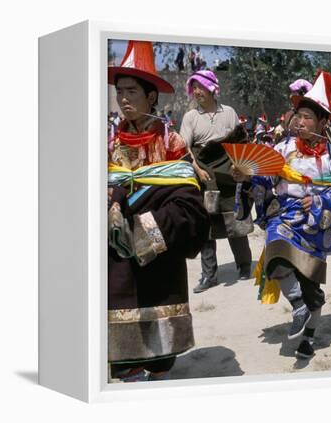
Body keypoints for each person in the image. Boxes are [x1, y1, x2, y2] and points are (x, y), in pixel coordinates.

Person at [107, 41, 210, 382]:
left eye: (132, 91)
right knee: (123, 357)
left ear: (151, 97)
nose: (123, 99)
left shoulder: (171, 143)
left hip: (160, 256)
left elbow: (189, 206)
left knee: (159, 358)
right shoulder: (107, 144)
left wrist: (141, 227)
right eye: (120, 91)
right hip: (116, 263)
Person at [233, 71, 331, 359]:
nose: (300, 122)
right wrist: (246, 176)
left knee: (313, 289)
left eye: (308, 117)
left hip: (315, 227)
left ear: (323, 122)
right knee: (275, 253)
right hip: (285, 217)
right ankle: (296, 304)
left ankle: (308, 336)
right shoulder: (283, 148)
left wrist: (320, 203)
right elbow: (263, 177)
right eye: (298, 116)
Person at [179, 70, 254, 293]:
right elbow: (184, 149)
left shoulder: (229, 112)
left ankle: (244, 266)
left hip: (229, 173)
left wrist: (238, 167)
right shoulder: (190, 117)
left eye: (200, 86)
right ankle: (209, 275)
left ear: (211, 88)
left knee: (235, 220)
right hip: (203, 173)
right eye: (193, 88)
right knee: (206, 226)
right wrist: (198, 170)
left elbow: (240, 143)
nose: (196, 92)